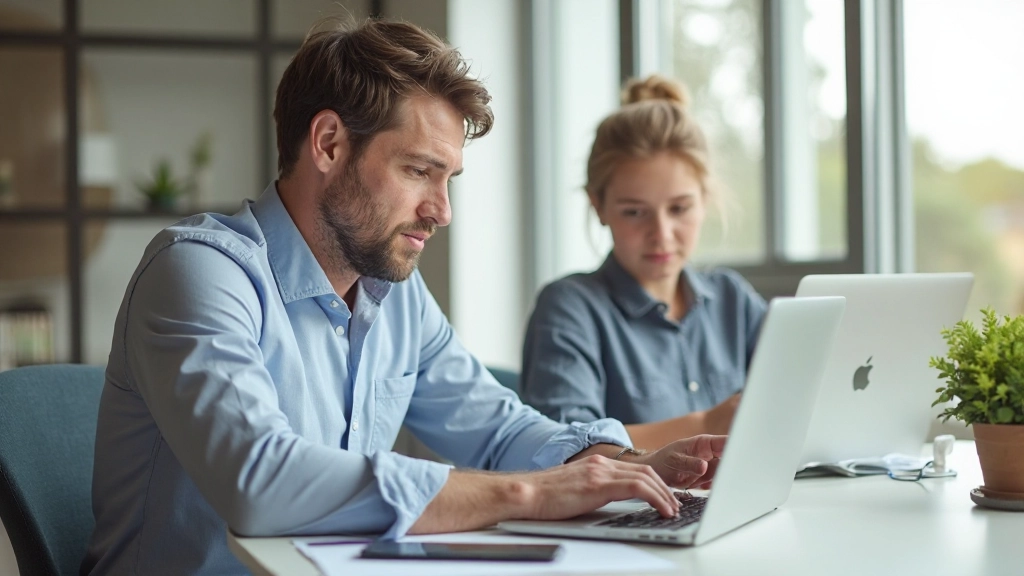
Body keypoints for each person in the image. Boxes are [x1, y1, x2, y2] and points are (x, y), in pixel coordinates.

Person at [81, 21, 727, 576]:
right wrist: (530, 493)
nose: (441, 211)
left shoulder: (394, 292)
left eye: (449, 179)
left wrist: (625, 464)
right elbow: (260, 482)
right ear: (329, 143)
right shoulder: (198, 272)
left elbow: (499, 429)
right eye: (419, 171)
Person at [521, 75, 767, 450]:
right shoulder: (569, 308)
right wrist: (705, 424)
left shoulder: (734, 298)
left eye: (680, 209)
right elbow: (563, 445)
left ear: (705, 199)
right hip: (630, 508)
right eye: (635, 212)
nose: (662, 234)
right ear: (598, 206)